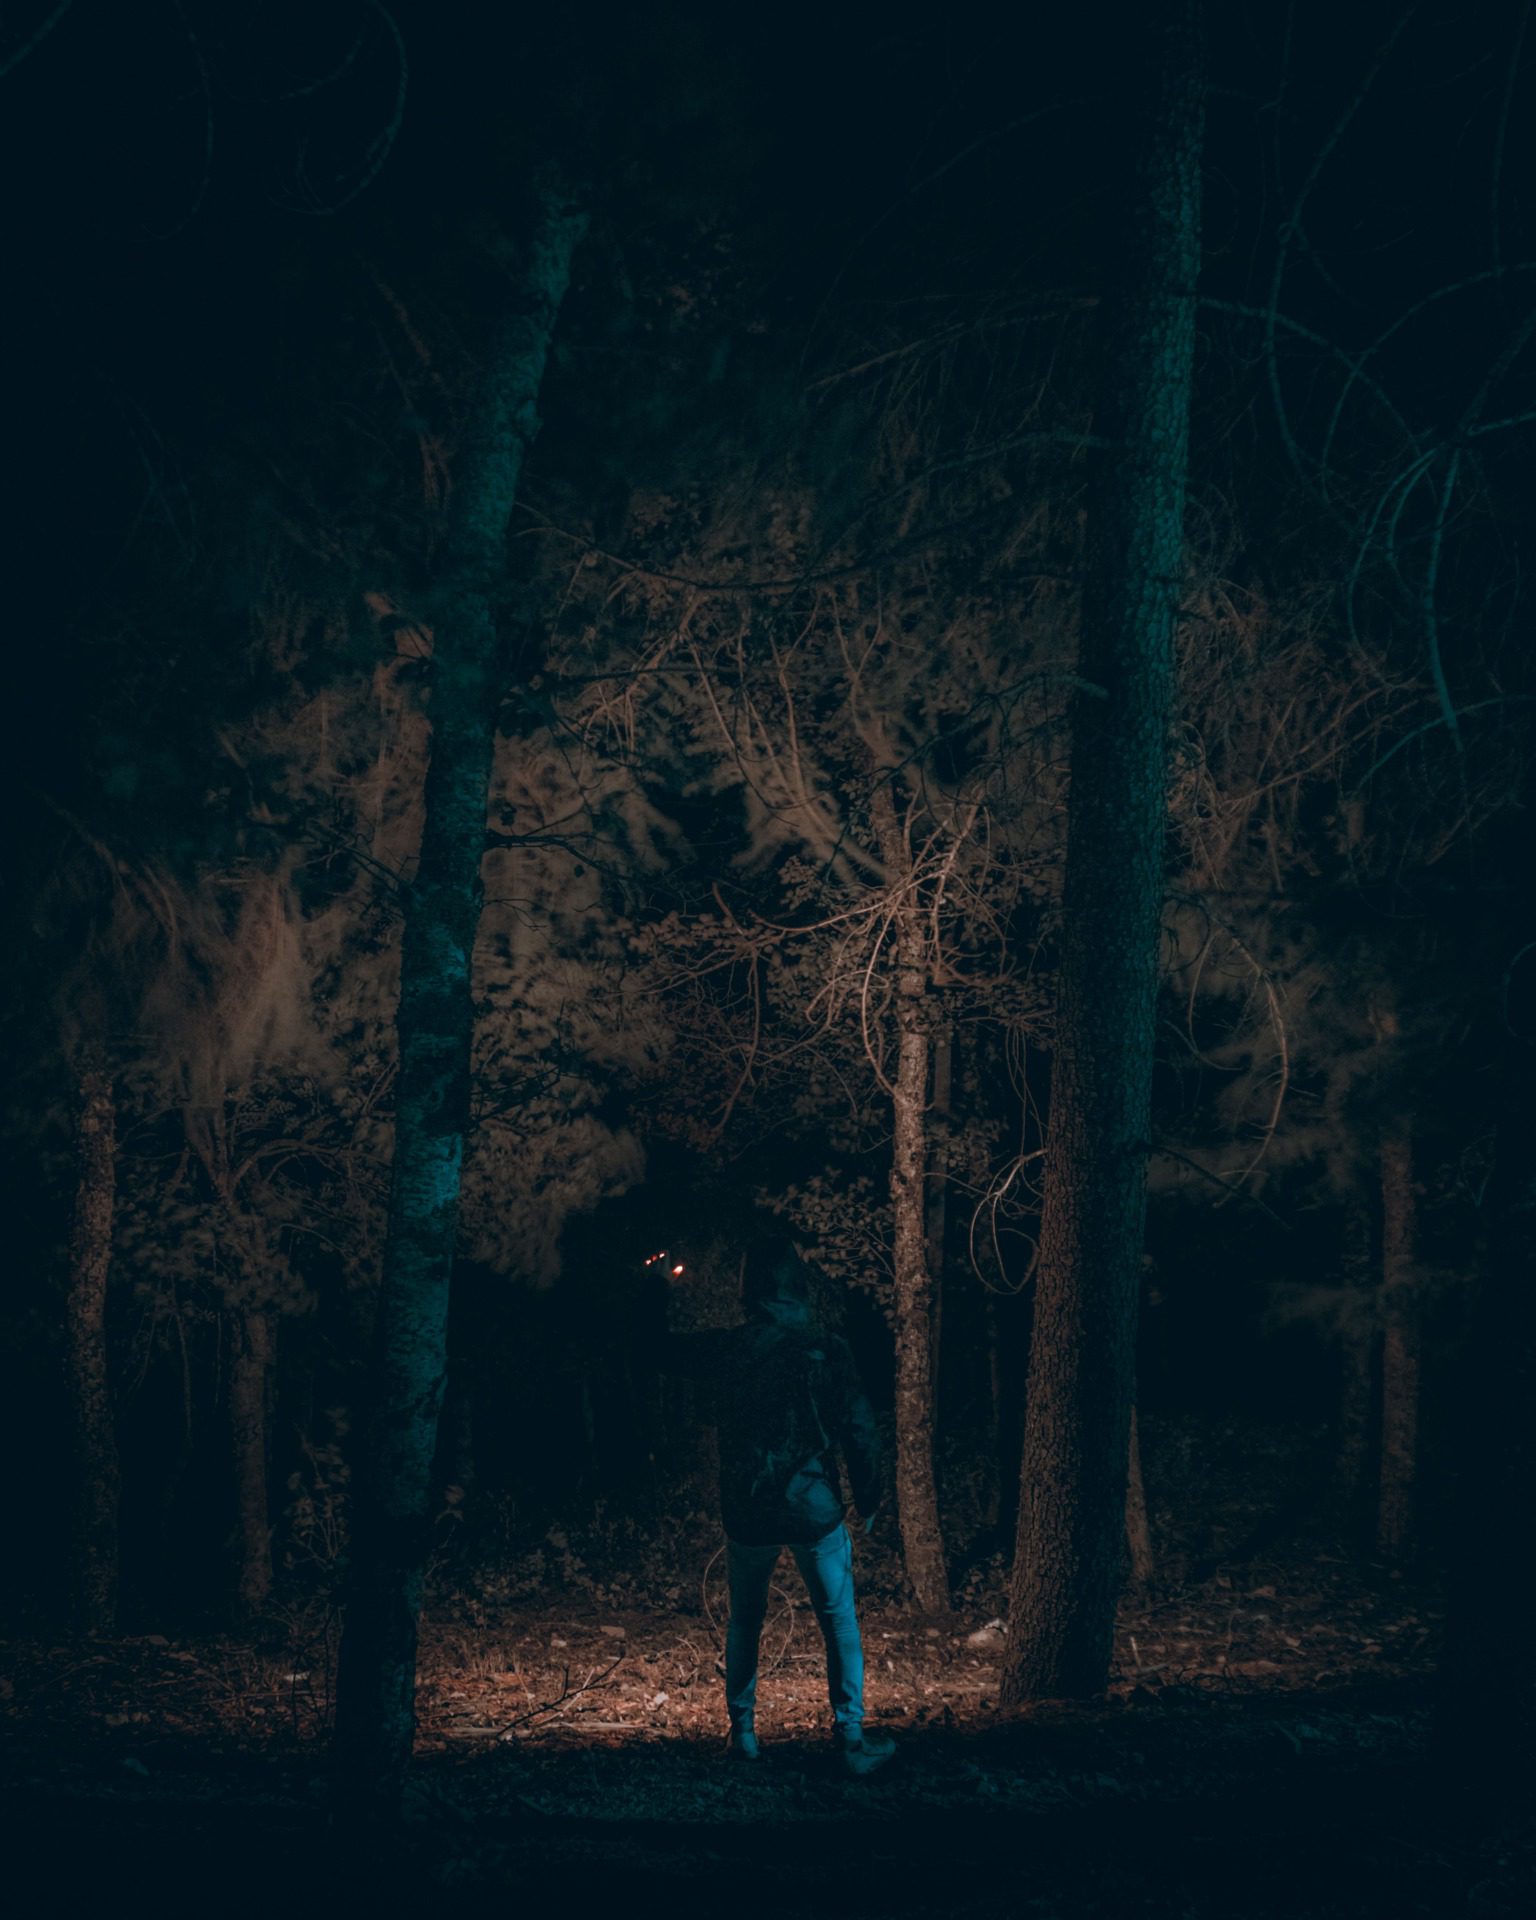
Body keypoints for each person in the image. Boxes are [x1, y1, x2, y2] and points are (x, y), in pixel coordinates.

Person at [639, 1226, 895, 1776]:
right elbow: (858, 1427)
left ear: (748, 1286)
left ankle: (744, 1735)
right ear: (797, 1284)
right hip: (813, 1506)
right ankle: (850, 1740)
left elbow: (656, 1350)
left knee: (745, 1620)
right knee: (838, 1621)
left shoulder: (732, 1347)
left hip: (750, 1505)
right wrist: (871, 1494)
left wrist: (657, 1287)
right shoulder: (826, 1348)